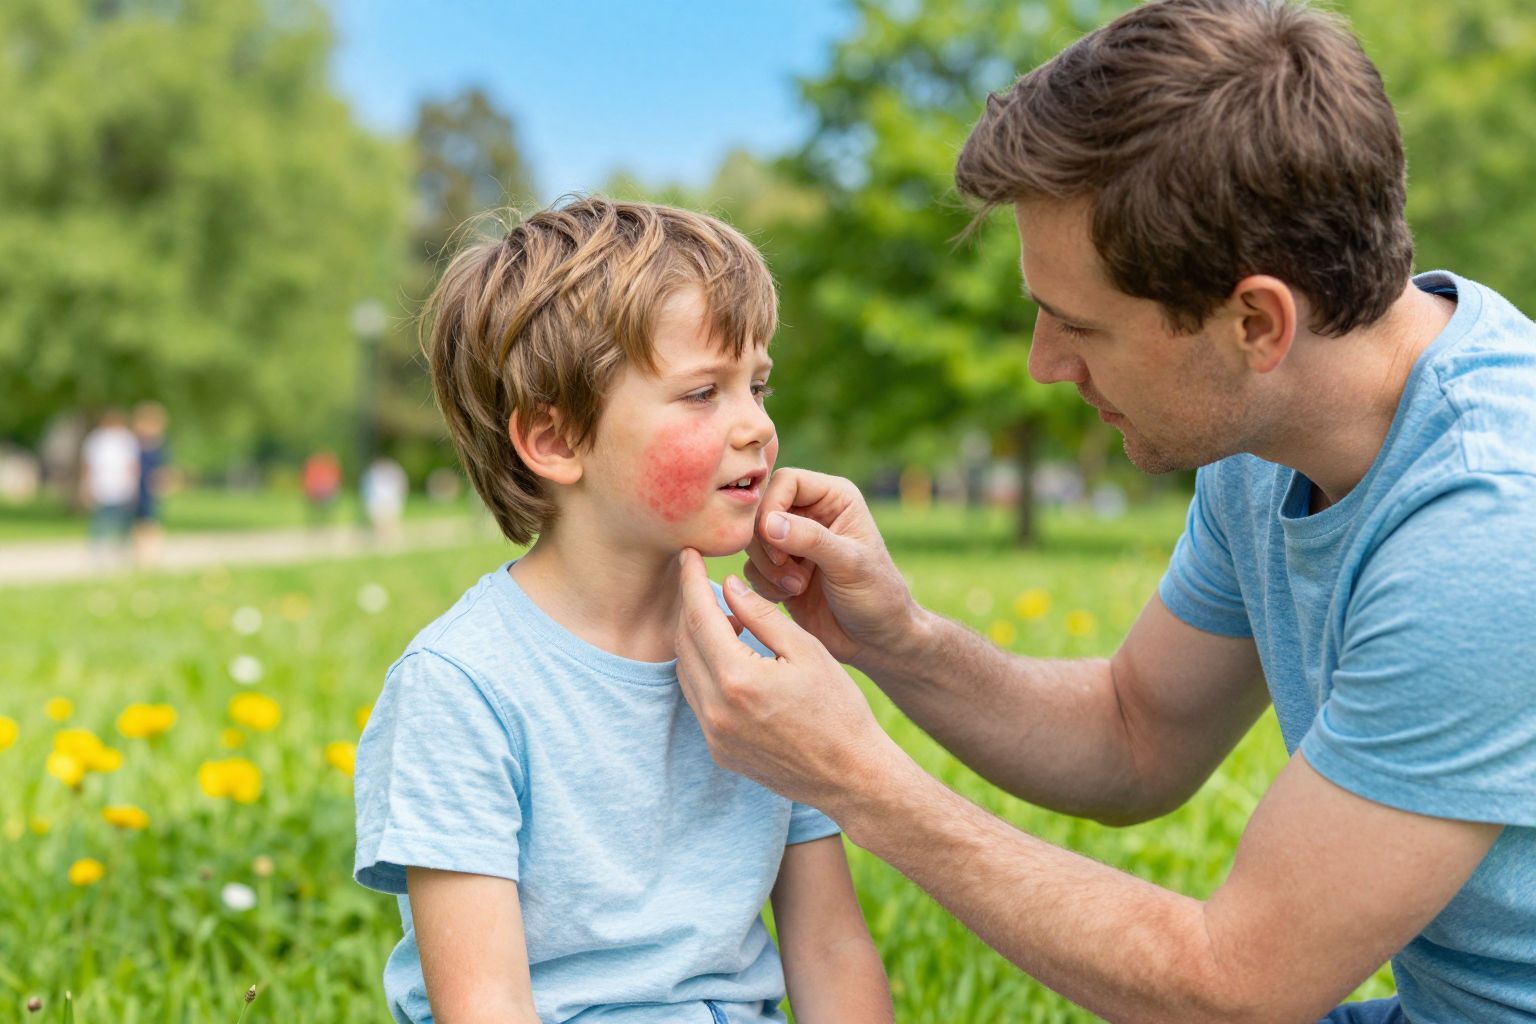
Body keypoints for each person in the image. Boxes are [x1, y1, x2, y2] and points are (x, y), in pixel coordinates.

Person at [673, 2, 1536, 1022]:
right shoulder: (1275, 430)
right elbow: (1137, 735)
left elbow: (1235, 989)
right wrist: (898, 642)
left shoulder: (1488, 527)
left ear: (1257, 320)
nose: (1045, 365)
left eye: (1082, 326)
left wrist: (858, 777)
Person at [352, 199, 891, 1024]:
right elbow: (486, 1005)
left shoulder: (766, 667)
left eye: (757, 384)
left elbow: (829, 949)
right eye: (704, 391)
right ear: (557, 441)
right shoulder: (462, 687)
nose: (757, 425)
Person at [78, 408, 140, 565]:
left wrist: (133, 485)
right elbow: (88, 464)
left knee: (123, 521)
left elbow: (132, 465)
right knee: (100, 520)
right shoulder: (96, 439)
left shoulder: (126, 439)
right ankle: (98, 551)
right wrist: (86, 485)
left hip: (121, 486)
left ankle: (121, 550)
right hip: (102, 486)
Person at [130, 401, 171, 568]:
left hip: (149, 488)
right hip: (135, 487)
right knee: (137, 522)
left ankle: (150, 556)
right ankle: (139, 554)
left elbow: (163, 469)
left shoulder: (159, 445)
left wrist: (163, 484)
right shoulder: (133, 443)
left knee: (149, 521)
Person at [362, 455, 409, 544]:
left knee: (390, 522)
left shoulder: (393, 471)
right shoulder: (373, 473)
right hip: (379, 501)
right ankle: (382, 540)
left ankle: (392, 540)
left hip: (389, 500)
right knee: (379, 523)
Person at [301, 450, 342, 526]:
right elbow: (308, 481)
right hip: (314, 493)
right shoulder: (314, 469)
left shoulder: (329, 469)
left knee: (331, 499)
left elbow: (334, 482)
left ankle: (326, 522)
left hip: (326, 493)